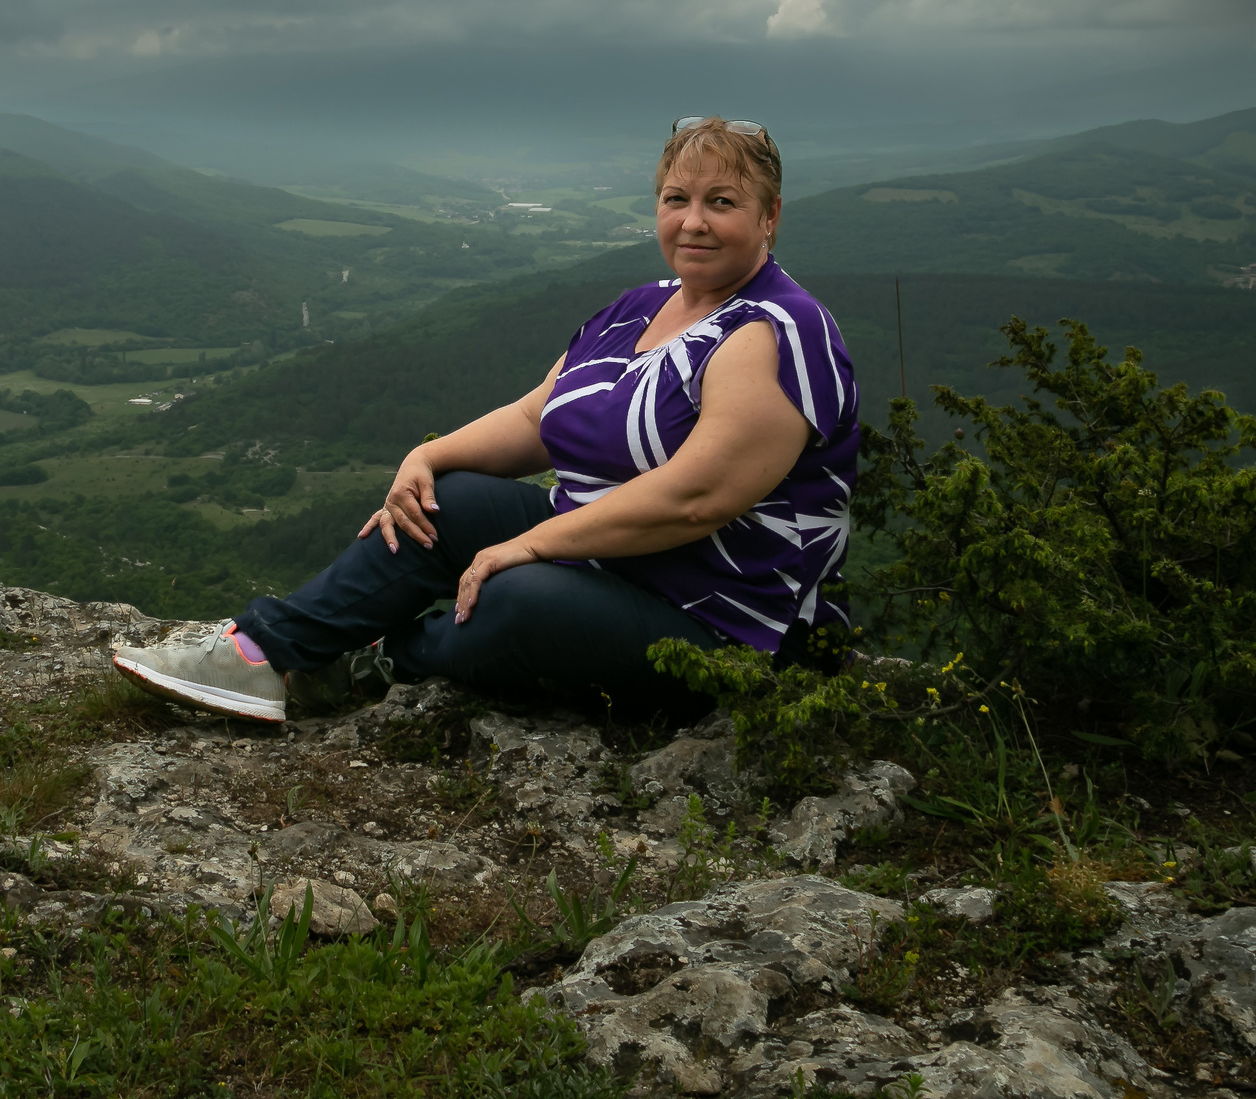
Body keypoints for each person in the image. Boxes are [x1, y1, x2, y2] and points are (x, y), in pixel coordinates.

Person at [110, 116, 859, 724]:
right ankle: (267, 651)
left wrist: (530, 544)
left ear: (770, 216)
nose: (693, 222)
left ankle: (377, 662)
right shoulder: (642, 305)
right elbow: (539, 414)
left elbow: (699, 497)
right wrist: (427, 456)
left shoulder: (775, 330)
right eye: (676, 199)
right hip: (610, 564)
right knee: (450, 499)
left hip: (723, 626)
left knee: (516, 593)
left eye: (721, 202)